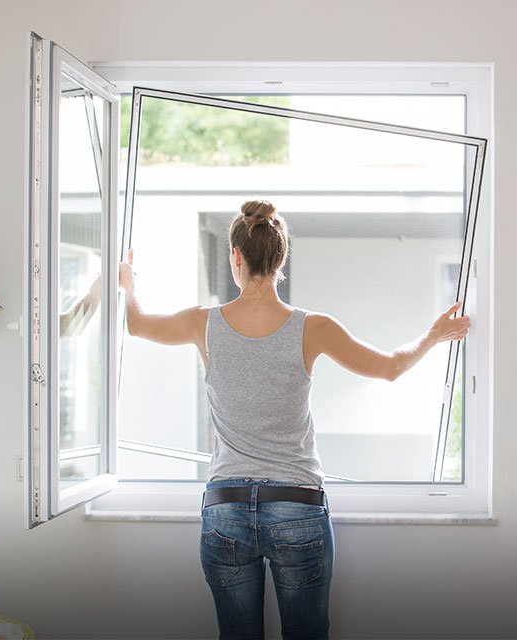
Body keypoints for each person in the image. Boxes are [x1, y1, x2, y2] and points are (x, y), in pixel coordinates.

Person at [118, 199, 470, 640]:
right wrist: (434, 336)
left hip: (225, 508)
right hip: (297, 508)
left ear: (236, 257)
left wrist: (128, 284)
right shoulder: (313, 327)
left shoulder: (201, 324)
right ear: (281, 258)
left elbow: (135, 324)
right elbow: (390, 367)